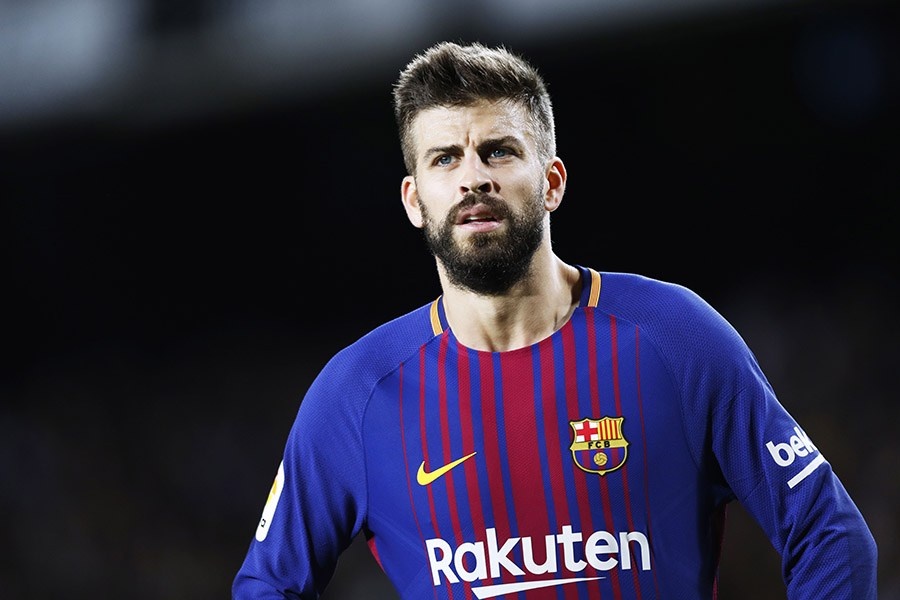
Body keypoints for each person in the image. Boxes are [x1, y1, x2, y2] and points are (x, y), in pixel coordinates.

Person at [232, 41, 877, 599]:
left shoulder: (675, 338)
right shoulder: (357, 394)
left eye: (498, 151)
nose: (472, 178)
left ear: (552, 182)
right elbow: (267, 584)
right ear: (414, 199)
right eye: (444, 158)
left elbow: (829, 532)